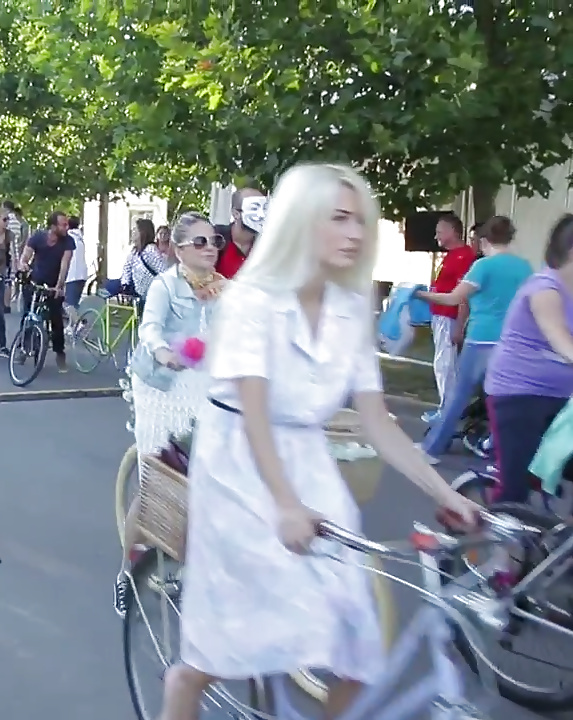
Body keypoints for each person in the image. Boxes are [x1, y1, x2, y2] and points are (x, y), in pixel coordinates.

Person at [157, 163, 476, 720]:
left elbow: (378, 422)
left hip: (307, 460)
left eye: (361, 221)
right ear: (302, 223)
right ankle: (184, 685)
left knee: (355, 637)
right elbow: (253, 411)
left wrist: (449, 495)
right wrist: (283, 503)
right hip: (240, 465)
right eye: (340, 219)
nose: (356, 233)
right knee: (235, 634)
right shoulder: (251, 300)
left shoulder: (351, 308)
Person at [113, 212, 226, 617]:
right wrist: (163, 351)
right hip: (163, 390)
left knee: (207, 485)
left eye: (214, 241)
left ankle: (188, 570)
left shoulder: (223, 290)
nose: (211, 247)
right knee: (159, 485)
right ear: (178, 250)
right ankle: (127, 574)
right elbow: (150, 329)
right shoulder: (165, 285)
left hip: (206, 389)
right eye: (200, 242)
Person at [416, 216, 533, 463]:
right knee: (501, 398)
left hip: (481, 339)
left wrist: (419, 294)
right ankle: (500, 448)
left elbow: (453, 298)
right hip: (511, 341)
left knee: (460, 395)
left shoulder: (483, 266)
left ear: (483, 240)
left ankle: (432, 449)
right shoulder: (525, 268)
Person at [485, 214, 573, 502]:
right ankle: (501, 545)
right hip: (519, 394)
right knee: (515, 487)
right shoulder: (545, 288)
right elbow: (561, 341)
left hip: (563, 397)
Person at [422, 214, 476, 424]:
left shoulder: (464, 257)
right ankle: (446, 408)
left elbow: (464, 294)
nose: (437, 235)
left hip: (449, 316)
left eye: (440, 230)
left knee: (445, 365)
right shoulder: (452, 255)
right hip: (440, 316)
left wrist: (459, 326)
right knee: (443, 364)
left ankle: (448, 412)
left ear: (453, 231)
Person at [19, 211, 75, 372]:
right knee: (27, 315)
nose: (67, 227)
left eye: (67, 224)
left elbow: (65, 264)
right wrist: (23, 264)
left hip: (53, 285)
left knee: (56, 320)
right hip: (36, 282)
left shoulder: (68, 242)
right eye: (63, 224)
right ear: (53, 226)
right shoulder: (38, 237)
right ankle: (24, 347)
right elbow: (26, 256)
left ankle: (59, 353)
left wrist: (59, 286)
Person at [214, 187, 266, 278]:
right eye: (254, 208)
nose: (261, 215)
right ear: (236, 214)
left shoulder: (266, 245)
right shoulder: (216, 239)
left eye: (265, 208)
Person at [118, 218, 167, 303]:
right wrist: (125, 286)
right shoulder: (134, 252)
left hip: (153, 296)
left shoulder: (150, 250)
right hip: (140, 295)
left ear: (143, 233)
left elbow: (163, 271)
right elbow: (127, 268)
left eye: (135, 230)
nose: (132, 232)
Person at [64, 216, 88, 326]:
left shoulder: (68, 238)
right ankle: (71, 327)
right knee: (74, 304)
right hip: (82, 274)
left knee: (67, 304)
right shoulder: (80, 238)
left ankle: (80, 323)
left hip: (71, 275)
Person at [2, 200, 21, 313]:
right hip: (11, 254)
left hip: (7, 255)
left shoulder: (4, 218)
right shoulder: (18, 222)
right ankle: (7, 304)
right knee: (8, 281)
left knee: (6, 281)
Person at [0, 213, 13, 356]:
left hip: (1, 275)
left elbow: (13, 257)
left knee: (0, 311)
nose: (7, 222)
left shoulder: (9, 236)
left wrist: (11, 276)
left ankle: (1, 345)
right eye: (4, 219)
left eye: (8, 219)